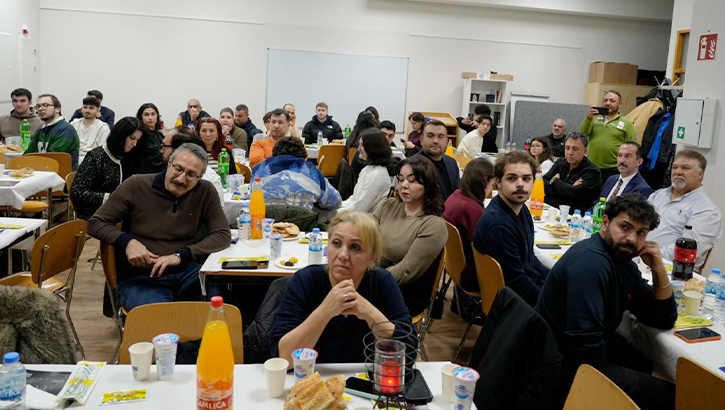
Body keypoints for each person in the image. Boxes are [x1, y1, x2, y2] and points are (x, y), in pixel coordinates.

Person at [537, 193, 677, 410]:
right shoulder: (592, 263)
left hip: (578, 354)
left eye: (641, 232)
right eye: (625, 227)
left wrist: (658, 268)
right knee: (674, 396)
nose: (632, 239)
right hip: (562, 367)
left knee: (642, 362)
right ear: (605, 223)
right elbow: (585, 346)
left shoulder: (621, 260)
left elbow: (662, 318)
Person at [87, 143, 231, 311]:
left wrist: (182, 255)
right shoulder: (136, 185)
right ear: (169, 162)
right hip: (142, 277)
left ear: (200, 177)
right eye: (178, 169)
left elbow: (222, 234)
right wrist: (128, 242)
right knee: (161, 317)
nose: (181, 179)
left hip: (186, 271)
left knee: (219, 306)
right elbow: (95, 222)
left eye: (191, 175)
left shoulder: (205, 191)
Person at [269, 211, 415, 365]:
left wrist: (369, 312)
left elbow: (409, 353)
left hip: (364, 377)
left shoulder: (382, 282)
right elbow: (282, 358)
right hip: (311, 375)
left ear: (372, 258)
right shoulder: (305, 281)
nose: (343, 255)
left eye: (355, 247)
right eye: (336, 243)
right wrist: (325, 311)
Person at [372, 156, 447, 315]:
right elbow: (364, 234)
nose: (404, 185)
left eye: (412, 181)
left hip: (404, 292)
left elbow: (407, 271)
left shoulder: (433, 225)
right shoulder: (389, 205)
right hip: (378, 273)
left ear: (427, 185)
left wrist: (369, 278)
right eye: (401, 179)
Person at [473, 151, 549, 307]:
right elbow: (517, 283)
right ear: (498, 182)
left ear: (533, 181)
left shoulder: (521, 209)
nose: (520, 184)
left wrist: (554, 280)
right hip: (513, 303)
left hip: (523, 288)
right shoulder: (498, 225)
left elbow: (530, 259)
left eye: (526, 178)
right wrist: (551, 302)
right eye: (512, 178)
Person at [647, 150, 722, 271]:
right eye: (675, 167)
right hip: (639, 260)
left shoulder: (706, 210)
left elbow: (687, 251)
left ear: (701, 175)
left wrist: (648, 253)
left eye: (686, 168)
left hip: (672, 271)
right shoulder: (658, 195)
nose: (678, 172)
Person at [443, 158, 495, 319]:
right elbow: (482, 247)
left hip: (455, 265)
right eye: (492, 184)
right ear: (484, 181)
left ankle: (461, 302)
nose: (491, 189)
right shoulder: (472, 209)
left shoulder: (456, 196)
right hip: (470, 273)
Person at [70, 117, 147, 220]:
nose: (134, 144)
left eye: (137, 140)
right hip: (97, 215)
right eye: (132, 138)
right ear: (120, 136)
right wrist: (111, 197)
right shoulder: (96, 157)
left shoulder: (130, 156)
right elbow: (77, 192)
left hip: (121, 212)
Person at [252, 136, 341, 211]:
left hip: (265, 222)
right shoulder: (311, 171)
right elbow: (335, 202)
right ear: (303, 156)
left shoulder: (259, 169)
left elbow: (252, 194)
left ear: (274, 153)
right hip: (302, 223)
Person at [580, 90, 636, 182]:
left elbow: (632, 147)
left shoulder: (627, 123)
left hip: (613, 169)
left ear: (620, 104)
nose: (608, 103)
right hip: (591, 166)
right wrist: (588, 118)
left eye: (612, 101)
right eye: (605, 100)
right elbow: (582, 134)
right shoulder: (594, 118)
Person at [160, 125, 224, 205]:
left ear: (180, 149)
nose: (161, 151)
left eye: (164, 146)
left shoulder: (210, 181)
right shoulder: (160, 175)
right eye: (178, 169)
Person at [543, 132, 602, 213]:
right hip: (551, 209)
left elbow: (575, 195)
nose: (570, 153)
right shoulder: (560, 162)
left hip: (575, 216)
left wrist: (555, 181)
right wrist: (569, 188)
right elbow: (543, 184)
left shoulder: (592, 171)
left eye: (575, 149)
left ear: (585, 151)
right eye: (567, 148)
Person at [337, 129, 392, 213]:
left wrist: (332, 213)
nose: (358, 149)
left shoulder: (376, 175)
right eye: (359, 144)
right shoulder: (368, 169)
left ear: (373, 148)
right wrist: (336, 207)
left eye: (362, 145)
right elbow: (354, 199)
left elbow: (358, 209)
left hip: (364, 219)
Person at [25, 94, 81, 170]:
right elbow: (28, 154)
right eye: (38, 106)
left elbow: (52, 158)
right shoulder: (41, 130)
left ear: (57, 109)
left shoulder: (66, 129)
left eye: (45, 105)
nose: (41, 109)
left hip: (60, 174)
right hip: (41, 171)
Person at [592, 141, 652, 209]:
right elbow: (597, 204)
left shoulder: (643, 189)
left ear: (639, 162)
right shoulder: (611, 179)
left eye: (627, 156)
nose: (621, 160)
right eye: (619, 156)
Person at [416, 120, 460, 200]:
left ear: (446, 141)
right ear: (421, 140)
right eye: (430, 136)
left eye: (440, 137)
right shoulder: (413, 165)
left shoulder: (451, 163)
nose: (435, 141)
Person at [136, 103, 165, 173]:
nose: (150, 118)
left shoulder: (159, 134)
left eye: (153, 114)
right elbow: (157, 157)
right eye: (146, 115)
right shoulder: (141, 135)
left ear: (157, 116)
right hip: (148, 172)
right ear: (141, 117)